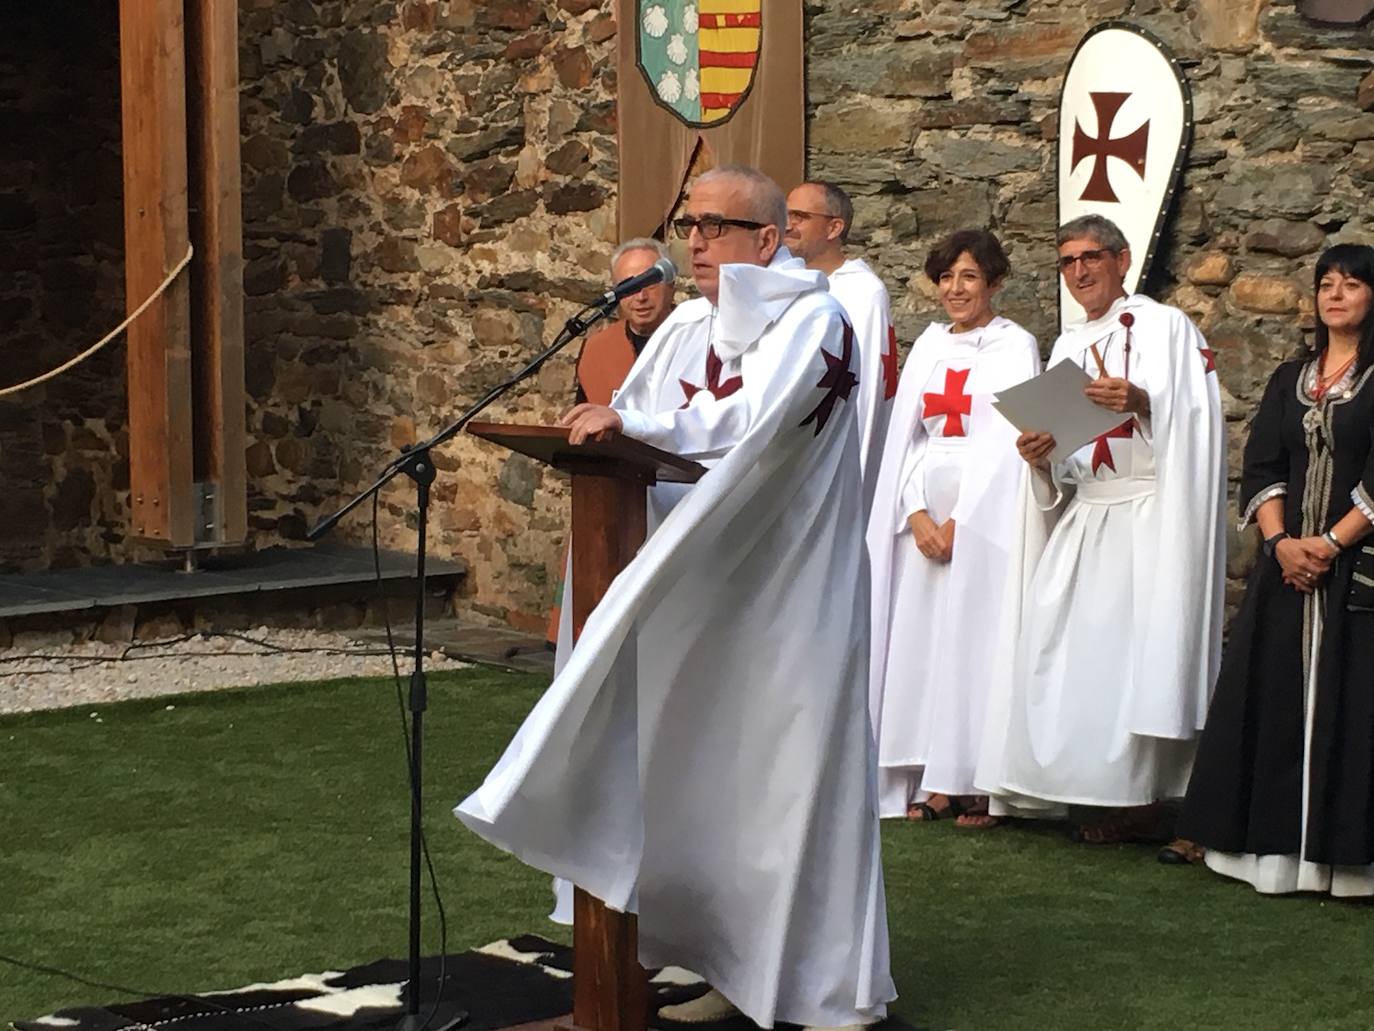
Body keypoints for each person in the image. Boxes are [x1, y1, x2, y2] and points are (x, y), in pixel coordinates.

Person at [456, 164, 894, 1031]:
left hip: (781, 593)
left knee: (777, 779)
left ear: (767, 241)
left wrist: (641, 427)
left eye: (713, 226)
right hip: (698, 589)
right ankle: (708, 957)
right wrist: (614, 425)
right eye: (688, 223)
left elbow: (751, 424)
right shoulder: (688, 324)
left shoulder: (819, 322)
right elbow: (630, 417)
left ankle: (809, 982)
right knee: (686, 767)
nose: (692, 240)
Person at [975, 214, 1226, 842]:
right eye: (1067, 262)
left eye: (1091, 258)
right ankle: (1070, 787)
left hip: (1147, 516)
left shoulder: (1168, 328)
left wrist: (1144, 402)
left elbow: (1199, 422)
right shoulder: (1066, 346)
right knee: (1063, 651)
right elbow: (1064, 458)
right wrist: (1041, 458)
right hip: (1087, 514)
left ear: (1122, 259)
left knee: (1132, 655)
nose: (1080, 271)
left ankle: (1140, 797)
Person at [1178, 243, 1374, 896]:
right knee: (1275, 700)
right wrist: (1284, 544)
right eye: (1325, 283)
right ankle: (1269, 853)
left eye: (1350, 284)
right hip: (1286, 571)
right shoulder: (1290, 376)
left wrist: (1329, 544)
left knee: (1353, 702)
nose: (1335, 294)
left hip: (1355, 571)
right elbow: (1262, 464)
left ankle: (1342, 861)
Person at [866, 229, 1039, 828]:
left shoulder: (1016, 347)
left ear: (993, 282)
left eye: (969, 277)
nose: (956, 289)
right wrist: (916, 513)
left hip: (984, 515)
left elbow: (1009, 446)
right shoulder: (929, 347)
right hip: (924, 506)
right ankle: (929, 777)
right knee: (922, 645)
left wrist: (963, 522)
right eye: (946, 278)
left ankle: (975, 780)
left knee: (975, 645)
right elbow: (905, 439)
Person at [545, 240, 677, 649]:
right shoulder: (598, 346)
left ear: (670, 285)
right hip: (607, 499)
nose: (639, 297)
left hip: (670, 495)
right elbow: (584, 407)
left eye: (649, 284)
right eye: (627, 286)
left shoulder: (694, 337)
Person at [784, 180, 898, 498]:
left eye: (800, 216)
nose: (787, 225)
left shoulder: (861, 293)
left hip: (833, 459)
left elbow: (864, 389)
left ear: (834, 227)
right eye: (785, 214)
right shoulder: (786, 285)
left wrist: (852, 481)